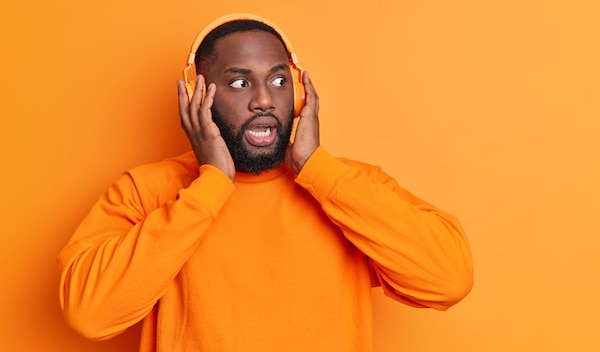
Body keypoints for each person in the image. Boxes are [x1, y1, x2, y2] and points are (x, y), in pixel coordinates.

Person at [57, 13, 473, 352]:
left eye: (278, 80)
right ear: (198, 95)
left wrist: (317, 168)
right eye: (240, 82)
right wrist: (212, 184)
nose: (264, 100)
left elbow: (448, 279)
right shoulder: (145, 191)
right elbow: (90, 314)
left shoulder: (346, 187)